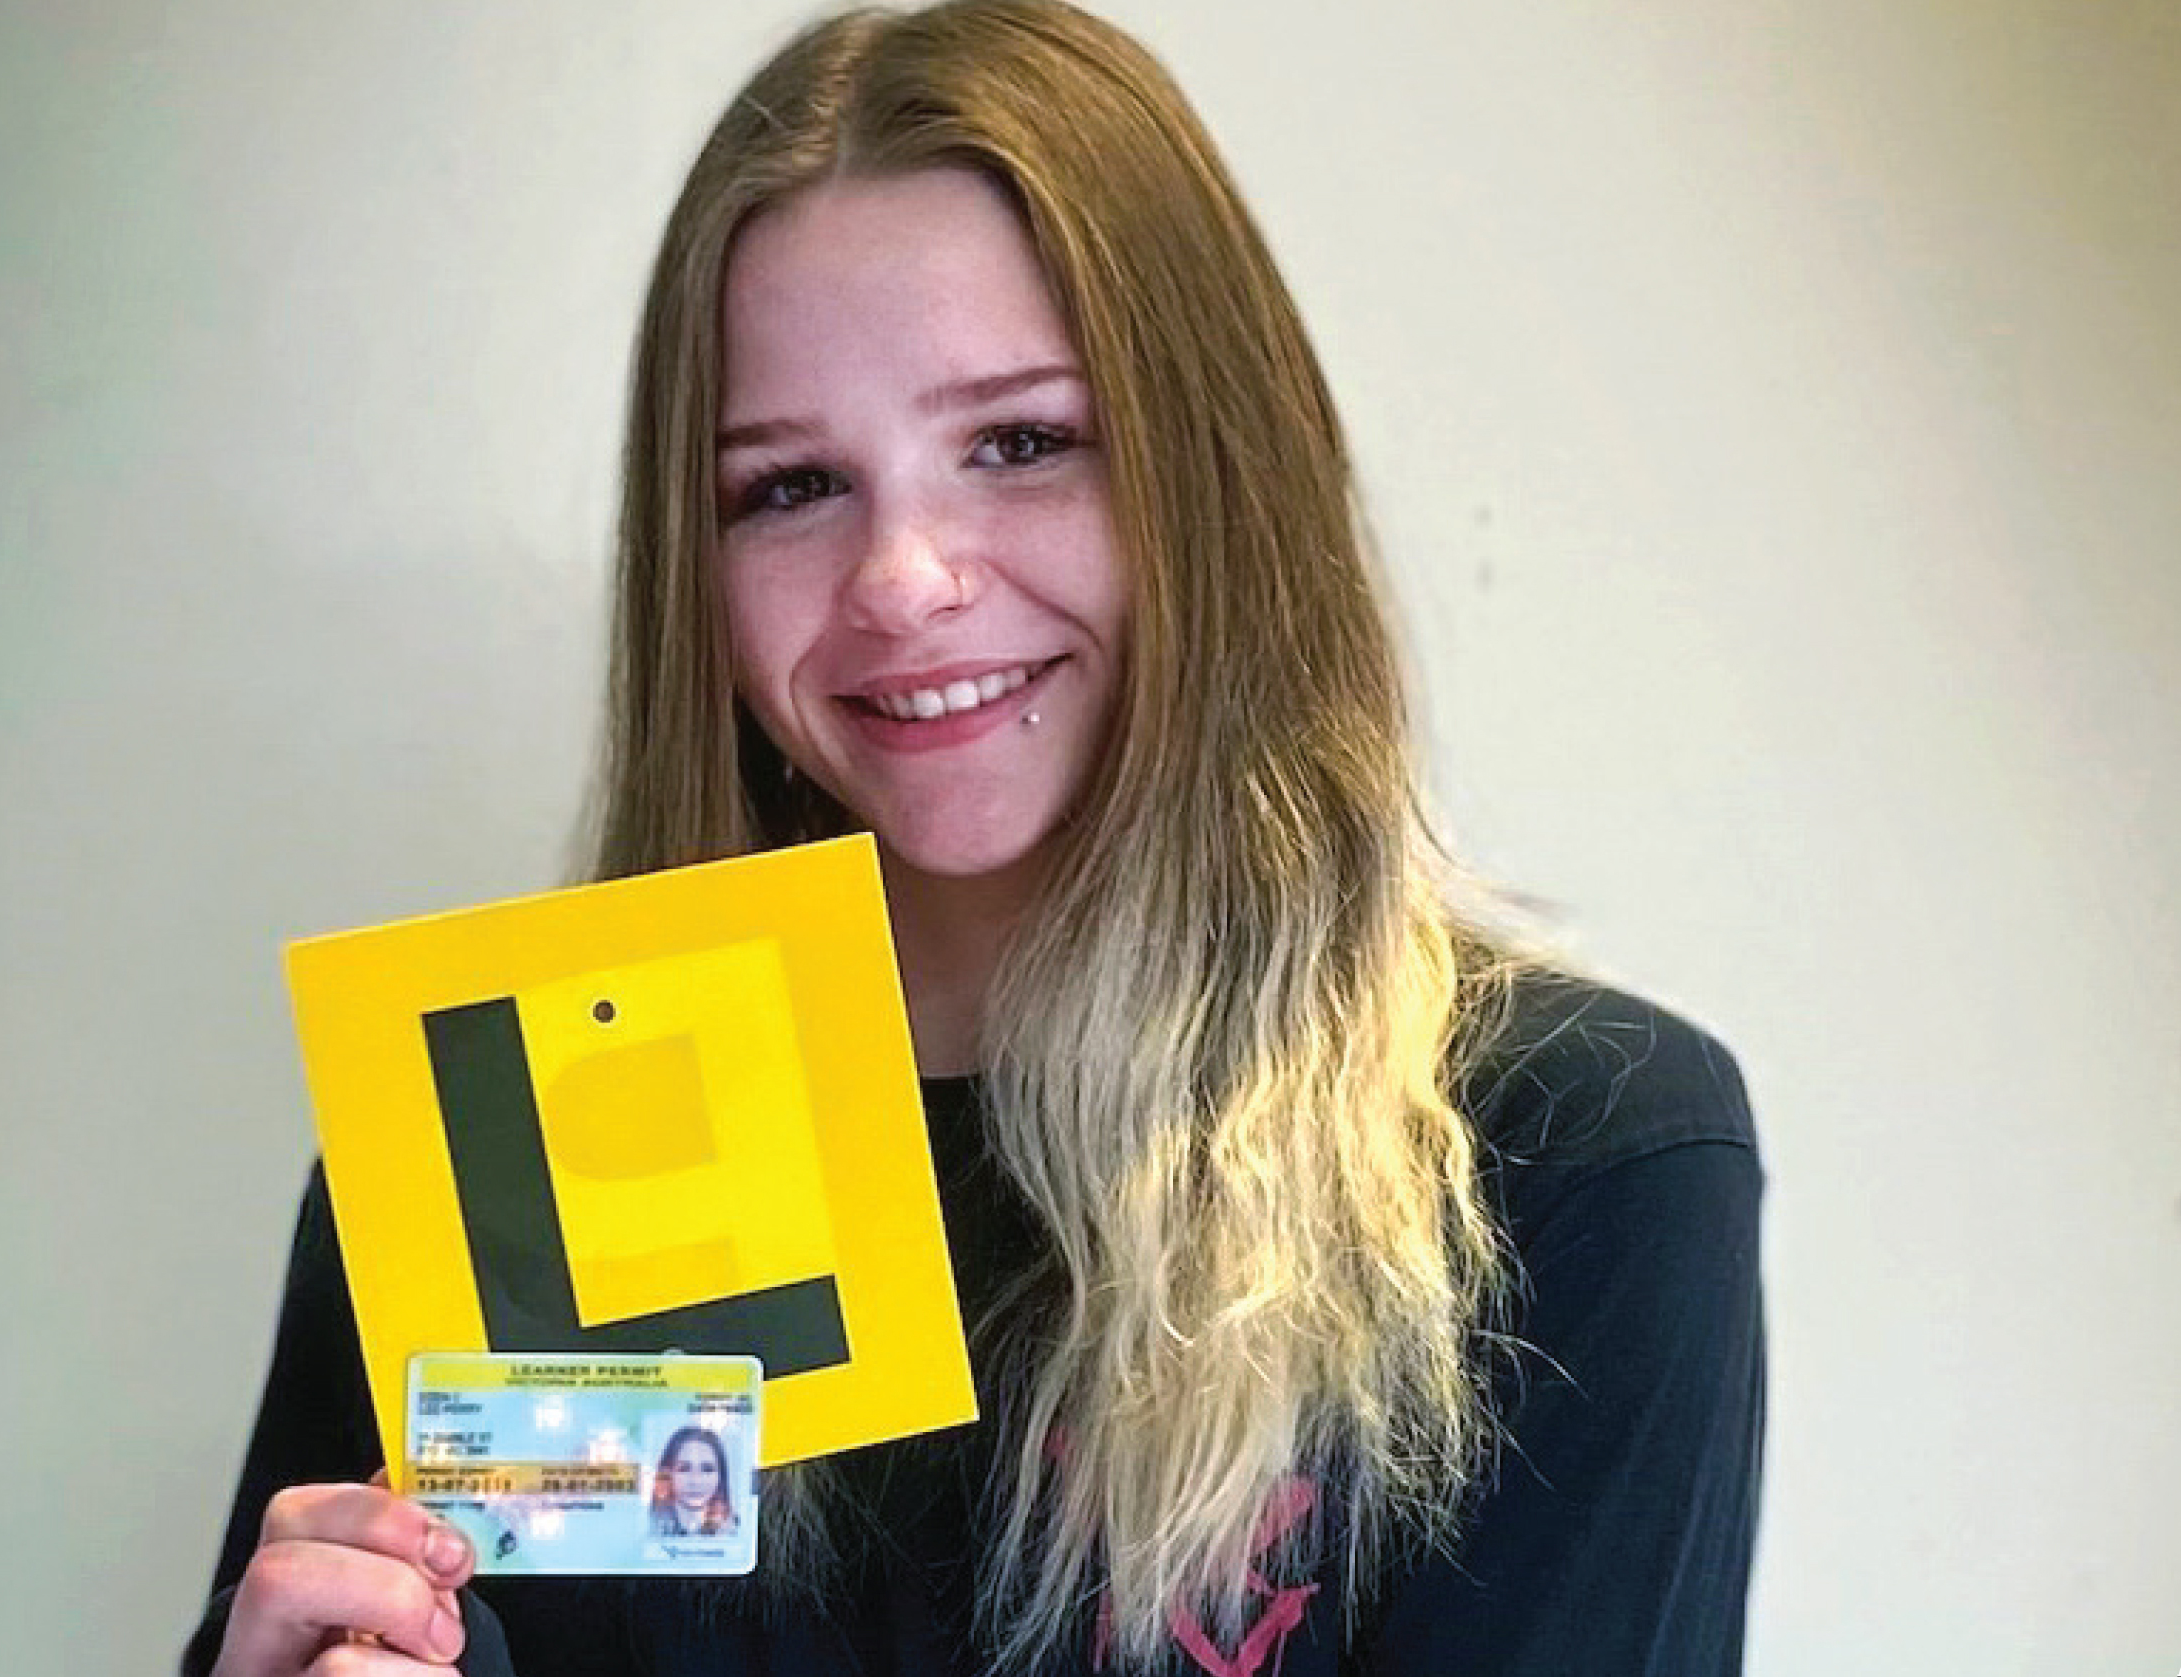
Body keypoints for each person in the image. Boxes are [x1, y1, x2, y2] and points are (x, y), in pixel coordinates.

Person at [187, 2, 1764, 1673]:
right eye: (787, 485)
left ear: (1215, 476)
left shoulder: (1570, 1159)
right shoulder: (502, 1163)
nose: (901, 580)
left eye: (1020, 443)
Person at [647, 1428, 741, 1539]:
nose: (695, 1481)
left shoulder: (738, 1531)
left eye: (707, 1469)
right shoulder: (645, 1527)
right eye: (684, 1469)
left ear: (721, 1477)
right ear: (667, 1473)